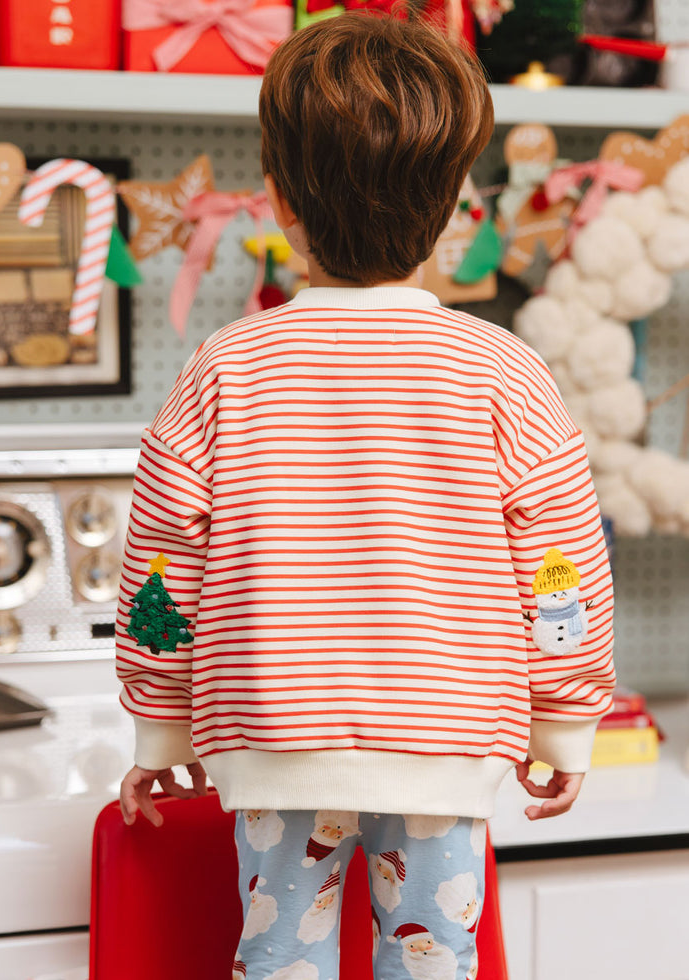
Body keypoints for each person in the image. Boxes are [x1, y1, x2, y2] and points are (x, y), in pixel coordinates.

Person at [117, 12, 615, 980]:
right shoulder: (504, 370)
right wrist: (564, 718)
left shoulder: (224, 366)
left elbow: (163, 560)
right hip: (448, 736)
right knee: (433, 963)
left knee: (274, 960)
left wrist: (161, 720)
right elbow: (559, 565)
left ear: (275, 200)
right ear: (453, 204)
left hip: (269, 731)